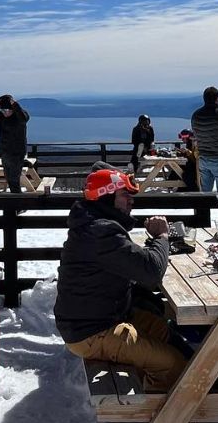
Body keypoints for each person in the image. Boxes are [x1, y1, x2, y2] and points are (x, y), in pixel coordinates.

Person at [54, 163, 186, 392]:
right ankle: (159, 420)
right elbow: (150, 273)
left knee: (163, 331)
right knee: (170, 363)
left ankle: (208, 379)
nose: (131, 200)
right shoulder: (101, 232)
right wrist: (161, 237)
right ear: (107, 197)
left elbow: (137, 265)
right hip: (91, 332)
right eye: (125, 195)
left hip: (101, 317)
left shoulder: (94, 224)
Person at [0, 94, 30, 193]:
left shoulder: (19, 116)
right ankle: (15, 202)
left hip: (17, 152)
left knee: (14, 178)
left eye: (9, 110)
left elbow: (24, 118)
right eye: (4, 110)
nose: (6, 112)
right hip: (5, 151)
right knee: (8, 177)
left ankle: (16, 203)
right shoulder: (1, 118)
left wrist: (15, 105)